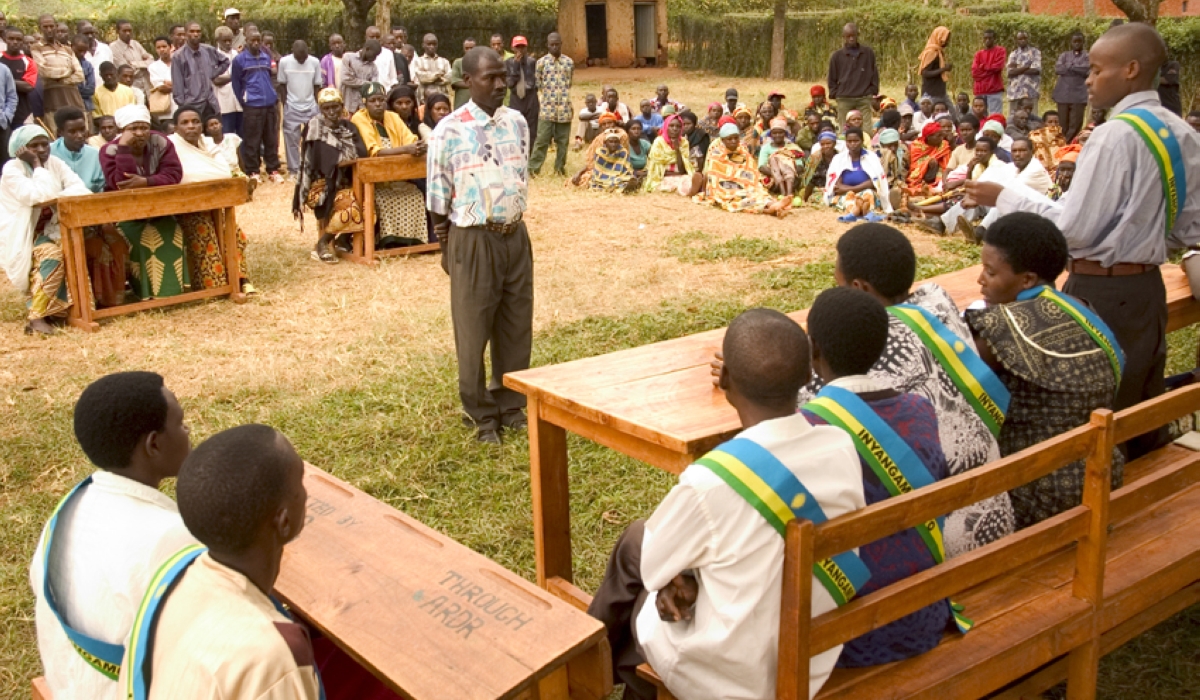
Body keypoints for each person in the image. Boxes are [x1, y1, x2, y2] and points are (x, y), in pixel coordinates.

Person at [594, 307, 866, 700]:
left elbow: (654, 570)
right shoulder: (840, 446)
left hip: (736, 679)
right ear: (808, 376)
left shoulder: (712, 481)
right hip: (813, 660)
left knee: (639, 571)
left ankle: (578, 670)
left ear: (723, 378)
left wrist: (683, 575)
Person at [966, 23, 1200, 459]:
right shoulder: (1179, 132)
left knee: (1087, 413)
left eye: (1095, 70)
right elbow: (1191, 227)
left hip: (1099, 290)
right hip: (1147, 286)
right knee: (1135, 407)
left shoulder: (1114, 136)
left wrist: (1007, 196)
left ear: (1130, 69)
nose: (1087, 80)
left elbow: (1073, 230)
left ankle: (1094, 506)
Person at [798, 224, 1013, 556]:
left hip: (940, 542)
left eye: (839, 284)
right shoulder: (936, 302)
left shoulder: (870, 342)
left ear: (859, 288)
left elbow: (798, 401)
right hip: (995, 515)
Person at [799, 287, 953, 667]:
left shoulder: (808, 431)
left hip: (845, 636)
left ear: (813, 351)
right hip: (922, 612)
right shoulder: (920, 411)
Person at [117, 424, 321, 699]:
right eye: (300, 484)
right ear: (283, 521)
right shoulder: (272, 654)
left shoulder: (173, 579)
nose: (306, 494)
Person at [29, 372, 195, 699]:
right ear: (154, 444)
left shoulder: (72, 506)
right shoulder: (170, 539)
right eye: (180, 423)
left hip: (70, 684)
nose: (187, 431)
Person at [965, 213, 1125, 529]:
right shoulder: (1079, 306)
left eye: (991, 271)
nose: (981, 280)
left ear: (1027, 279)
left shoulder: (1002, 327)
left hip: (1038, 493)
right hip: (1102, 474)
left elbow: (950, 373)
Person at [427, 47, 533, 445]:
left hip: (514, 236)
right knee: (473, 330)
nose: (500, 85)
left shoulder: (517, 122)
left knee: (516, 324)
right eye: (490, 78)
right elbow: (438, 196)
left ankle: (510, 404)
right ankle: (480, 413)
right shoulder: (448, 130)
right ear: (467, 82)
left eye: (503, 76)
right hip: (471, 238)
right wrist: (445, 247)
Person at [1, 125, 94, 333]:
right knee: (52, 255)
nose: (41, 150)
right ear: (19, 149)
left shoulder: (55, 163)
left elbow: (80, 189)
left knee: (94, 243)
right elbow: (37, 197)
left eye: (44, 144)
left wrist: (55, 195)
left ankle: (76, 309)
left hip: (56, 227)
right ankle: (37, 316)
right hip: (27, 233)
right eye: (33, 146)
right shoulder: (12, 170)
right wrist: (36, 165)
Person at [99, 104, 189, 300]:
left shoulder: (161, 142)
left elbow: (174, 174)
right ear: (122, 130)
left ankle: (174, 291)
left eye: (144, 127)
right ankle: (143, 292)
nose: (140, 133)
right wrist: (124, 148)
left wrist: (147, 181)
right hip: (125, 214)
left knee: (173, 234)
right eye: (133, 129)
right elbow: (119, 182)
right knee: (140, 241)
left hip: (161, 210)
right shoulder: (109, 150)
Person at [169, 105, 254, 293]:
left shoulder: (208, 144)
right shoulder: (170, 146)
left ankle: (239, 279)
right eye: (185, 123)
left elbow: (223, 173)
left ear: (202, 126)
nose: (191, 126)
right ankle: (215, 285)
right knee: (204, 232)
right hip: (185, 208)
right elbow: (186, 178)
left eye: (195, 122)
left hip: (215, 205)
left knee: (235, 233)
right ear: (175, 128)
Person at [350, 82, 428, 246]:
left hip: (398, 175)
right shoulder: (359, 118)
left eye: (381, 100)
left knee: (415, 194)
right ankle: (387, 242)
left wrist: (418, 147)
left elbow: (410, 139)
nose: (378, 104)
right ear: (365, 102)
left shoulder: (392, 117)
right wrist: (406, 149)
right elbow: (375, 151)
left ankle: (411, 243)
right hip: (376, 179)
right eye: (373, 100)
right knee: (383, 198)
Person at [294, 88, 366, 263]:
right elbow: (324, 163)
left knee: (372, 207)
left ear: (342, 107)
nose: (332, 112)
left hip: (349, 182)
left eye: (335, 107)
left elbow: (362, 153)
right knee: (350, 208)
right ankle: (323, 243)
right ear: (321, 109)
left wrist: (344, 160)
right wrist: (345, 159)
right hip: (321, 187)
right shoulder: (314, 129)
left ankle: (343, 240)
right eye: (327, 108)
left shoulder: (350, 127)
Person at [698, 123, 788, 217]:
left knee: (757, 192)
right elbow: (714, 176)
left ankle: (773, 207)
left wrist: (747, 183)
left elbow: (751, 170)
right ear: (723, 140)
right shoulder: (717, 153)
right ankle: (773, 207)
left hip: (745, 185)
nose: (733, 141)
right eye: (729, 139)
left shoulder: (743, 151)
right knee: (742, 197)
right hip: (724, 189)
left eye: (736, 138)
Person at [231, 28, 280, 181]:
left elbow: (271, 77)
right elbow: (236, 83)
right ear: (246, 41)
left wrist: (273, 95)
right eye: (253, 40)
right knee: (253, 140)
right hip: (252, 105)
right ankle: (254, 171)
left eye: (258, 40)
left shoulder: (266, 57)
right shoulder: (239, 60)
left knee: (271, 138)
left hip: (269, 104)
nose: (256, 43)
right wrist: (244, 100)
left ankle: (273, 169)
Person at [30, 20, 84, 137]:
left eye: (51, 26)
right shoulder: (36, 48)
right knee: (55, 134)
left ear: (56, 27)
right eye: (45, 27)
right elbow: (44, 71)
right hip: (52, 98)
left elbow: (80, 75)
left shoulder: (67, 49)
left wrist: (60, 79)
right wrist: (68, 71)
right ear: (40, 28)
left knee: (79, 134)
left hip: (73, 97)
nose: (49, 29)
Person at [824, 126, 890, 222]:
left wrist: (853, 189)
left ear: (862, 141)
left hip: (865, 191)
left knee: (869, 193)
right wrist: (857, 189)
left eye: (856, 141)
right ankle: (860, 210)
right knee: (849, 197)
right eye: (849, 141)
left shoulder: (871, 157)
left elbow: (875, 182)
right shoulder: (838, 159)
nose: (852, 144)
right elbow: (837, 187)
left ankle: (859, 210)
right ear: (845, 142)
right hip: (845, 194)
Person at [530, 31, 573, 176]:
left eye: (557, 44)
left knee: (563, 142)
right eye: (551, 45)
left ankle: (559, 169)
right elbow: (538, 84)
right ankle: (533, 169)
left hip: (564, 109)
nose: (554, 47)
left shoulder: (569, 62)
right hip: (547, 109)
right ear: (547, 45)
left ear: (561, 44)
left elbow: (569, 83)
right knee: (541, 140)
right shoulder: (541, 63)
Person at [279, 40, 323, 179]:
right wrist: (286, 103)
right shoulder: (284, 62)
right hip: (292, 106)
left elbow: (317, 85)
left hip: (310, 106)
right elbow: (282, 85)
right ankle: (294, 170)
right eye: (299, 57)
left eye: (304, 57)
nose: (302, 60)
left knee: (314, 139)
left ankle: (313, 168)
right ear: (293, 52)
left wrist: (317, 104)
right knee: (291, 140)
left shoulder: (315, 62)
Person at [172, 23, 230, 119]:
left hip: (211, 103)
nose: (196, 34)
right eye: (192, 31)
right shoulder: (178, 56)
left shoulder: (208, 50)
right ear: (186, 34)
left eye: (198, 31)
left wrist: (212, 73)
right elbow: (178, 88)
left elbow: (225, 61)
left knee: (215, 132)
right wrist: (184, 107)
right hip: (192, 106)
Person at [827, 23, 879, 131]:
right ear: (844, 37)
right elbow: (831, 78)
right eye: (848, 36)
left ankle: (866, 147)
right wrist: (835, 93)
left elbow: (874, 73)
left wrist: (872, 90)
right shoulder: (837, 56)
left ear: (857, 35)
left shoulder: (868, 53)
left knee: (867, 130)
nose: (851, 39)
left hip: (864, 97)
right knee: (843, 130)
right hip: (844, 98)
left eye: (853, 36)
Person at [643, 114, 702, 196]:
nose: (675, 129)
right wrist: (674, 174)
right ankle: (691, 192)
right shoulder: (659, 142)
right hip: (661, 177)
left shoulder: (684, 142)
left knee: (687, 179)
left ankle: (693, 189)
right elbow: (656, 168)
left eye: (678, 126)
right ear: (666, 127)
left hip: (680, 175)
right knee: (674, 184)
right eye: (671, 126)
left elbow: (682, 169)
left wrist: (677, 149)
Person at [1053, 31, 1089, 144]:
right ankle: (1063, 144)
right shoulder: (1064, 55)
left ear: (1083, 42)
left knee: (1075, 124)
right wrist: (1076, 68)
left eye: (1079, 41)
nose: (1077, 44)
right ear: (1071, 43)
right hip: (1063, 94)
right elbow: (1058, 69)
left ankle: (1068, 145)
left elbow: (1086, 70)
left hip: (1078, 95)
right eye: (1075, 41)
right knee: (1062, 125)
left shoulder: (1087, 56)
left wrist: (1070, 67)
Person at [504, 36, 538, 157]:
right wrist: (516, 66)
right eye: (517, 47)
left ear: (526, 47)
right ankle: (517, 154)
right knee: (515, 128)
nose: (520, 50)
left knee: (532, 128)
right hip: (516, 98)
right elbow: (510, 83)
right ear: (512, 48)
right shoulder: (508, 63)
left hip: (530, 97)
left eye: (522, 47)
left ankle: (530, 154)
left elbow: (535, 80)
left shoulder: (532, 62)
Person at [757, 116, 804, 201]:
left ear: (785, 134)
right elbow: (762, 166)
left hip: (791, 177)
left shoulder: (792, 147)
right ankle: (784, 193)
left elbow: (800, 166)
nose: (777, 135)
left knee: (786, 162)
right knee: (774, 159)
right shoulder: (766, 148)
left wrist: (787, 170)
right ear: (771, 134)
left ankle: (788, 194)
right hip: (773, 177)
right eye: (775, 133)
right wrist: (778, 174)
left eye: (780, 133)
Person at [905, 122, 950, 197]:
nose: (942, 138)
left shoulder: (944, 145)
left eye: (942, 135)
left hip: (940, 178)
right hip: (920, 180)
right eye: (939, 136)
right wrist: (928, 162)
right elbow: (914, 167)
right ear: (929, 137)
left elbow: (947, 165)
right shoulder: (916, 147)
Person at [587, 128, 638, 194]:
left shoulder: (623, 152)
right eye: (611, 142)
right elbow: (598, 170)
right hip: (602, 177)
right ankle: (622, 189)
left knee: (626, 179)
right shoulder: (600, 152)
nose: (613, 144)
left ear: (619, 143)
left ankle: (627, 187)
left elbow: (627, 168)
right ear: (605, 143)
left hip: (619, 176)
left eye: (616, 142)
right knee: (599, 182)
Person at [212, 27, 242, 138]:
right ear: (217, 40)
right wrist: (235, 76)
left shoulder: (237, 55)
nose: (228, 43)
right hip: (224, 105)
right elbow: (216, 80)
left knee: (241, 137)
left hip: (239, 103)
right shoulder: (213, 56)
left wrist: (230, 78)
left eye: (230, 40)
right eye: (225, 41)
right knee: (227, 136)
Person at [110, 20, 153, 95]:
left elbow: (151, 61)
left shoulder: (135, 44)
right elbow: (127, 70)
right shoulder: (114, 47)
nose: (128, 33)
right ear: (118, 31)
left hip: (147, 86)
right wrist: (144, 65)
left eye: (129, 31)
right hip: (131, 88)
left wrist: (135, 64)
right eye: (124, 31)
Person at [1007, 31, 1041, 118]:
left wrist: (1017, 67)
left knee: (1032, 118)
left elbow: (1036, 70)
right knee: (1013, 117)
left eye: (1024, 38)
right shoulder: (1013, 54)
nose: (1022, 41)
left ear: (1027, 39)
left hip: (1031, 91)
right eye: (1020, 39)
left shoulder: (1035, 52)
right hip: (1015, 92)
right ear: (1017, 40)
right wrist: (1026, 66)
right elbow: (1010, 72)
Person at [971, 29, 1006, 116]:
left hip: (994, 89)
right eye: (985, 38)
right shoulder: (978, 54)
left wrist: (983, 67)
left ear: (994, 39)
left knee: (995, 116)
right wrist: (990, 70)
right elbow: (975, 72)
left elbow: (998, 67)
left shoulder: (1000, 51)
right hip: (980, 90)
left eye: (990, 38)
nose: (987, 40)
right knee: (979, 116)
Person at [917, 27, 953, 110]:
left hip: (940, 92)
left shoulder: (938, 51)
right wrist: (943, 69)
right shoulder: (931, 52)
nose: (947, 42)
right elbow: (925, 72)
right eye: (945, 39)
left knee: (952, 115)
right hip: (931, 93)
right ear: (939, 38)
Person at [340, 40, 378, 115]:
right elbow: (345, 79)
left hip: (363, 107)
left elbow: (373, 87)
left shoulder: (373, 67)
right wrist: (366, 83)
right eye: (374, 55)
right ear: (367, 49)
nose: (375, 58)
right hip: (347, 104)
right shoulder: (348, 57)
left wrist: (355, 80)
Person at [800, 130, 838, 203]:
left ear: (834, 143)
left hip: (837, 190)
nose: (825, 146)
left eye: (828, 143)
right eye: (822, 144)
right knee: (823, 201)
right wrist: (804, 199)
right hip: (818, 191)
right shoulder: (815, 159)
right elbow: (810, 181)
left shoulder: (840, 158)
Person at [147, 36, 177, 128]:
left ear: (171, 47)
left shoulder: (179, 63)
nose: (162, 50)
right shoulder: (153, 67)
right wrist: (179, 85)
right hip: (165, 111)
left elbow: (189, 84)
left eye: (164, 46)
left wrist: (168, 82)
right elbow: (161, 88)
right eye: (158, 48)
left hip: (182, 107)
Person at [411, 33, 451, 99]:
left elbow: (449, 76)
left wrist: (430, 77)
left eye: (434, 44)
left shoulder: (444, 61)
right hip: (424, 98)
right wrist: (436, 76)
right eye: (429, 44)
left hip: (442, 96)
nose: (432, 47)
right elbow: (421, 77)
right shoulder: (418, 61)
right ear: (423, 45)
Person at [876, 128, 907, 210]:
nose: (893, 148)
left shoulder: (902, 151)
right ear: (882, 144)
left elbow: (903, 172)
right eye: (889, 145)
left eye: (895, 145)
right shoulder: (876, 154)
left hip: (896, 182)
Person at [447, 37, 475, 109]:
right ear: (463, 49)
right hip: (461, 103)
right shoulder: (458, 62)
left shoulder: (481, 62)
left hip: (477, 102)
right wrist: (475, 84)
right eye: (467, 48)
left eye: (471, 48)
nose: (469, 50)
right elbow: (455, 81)